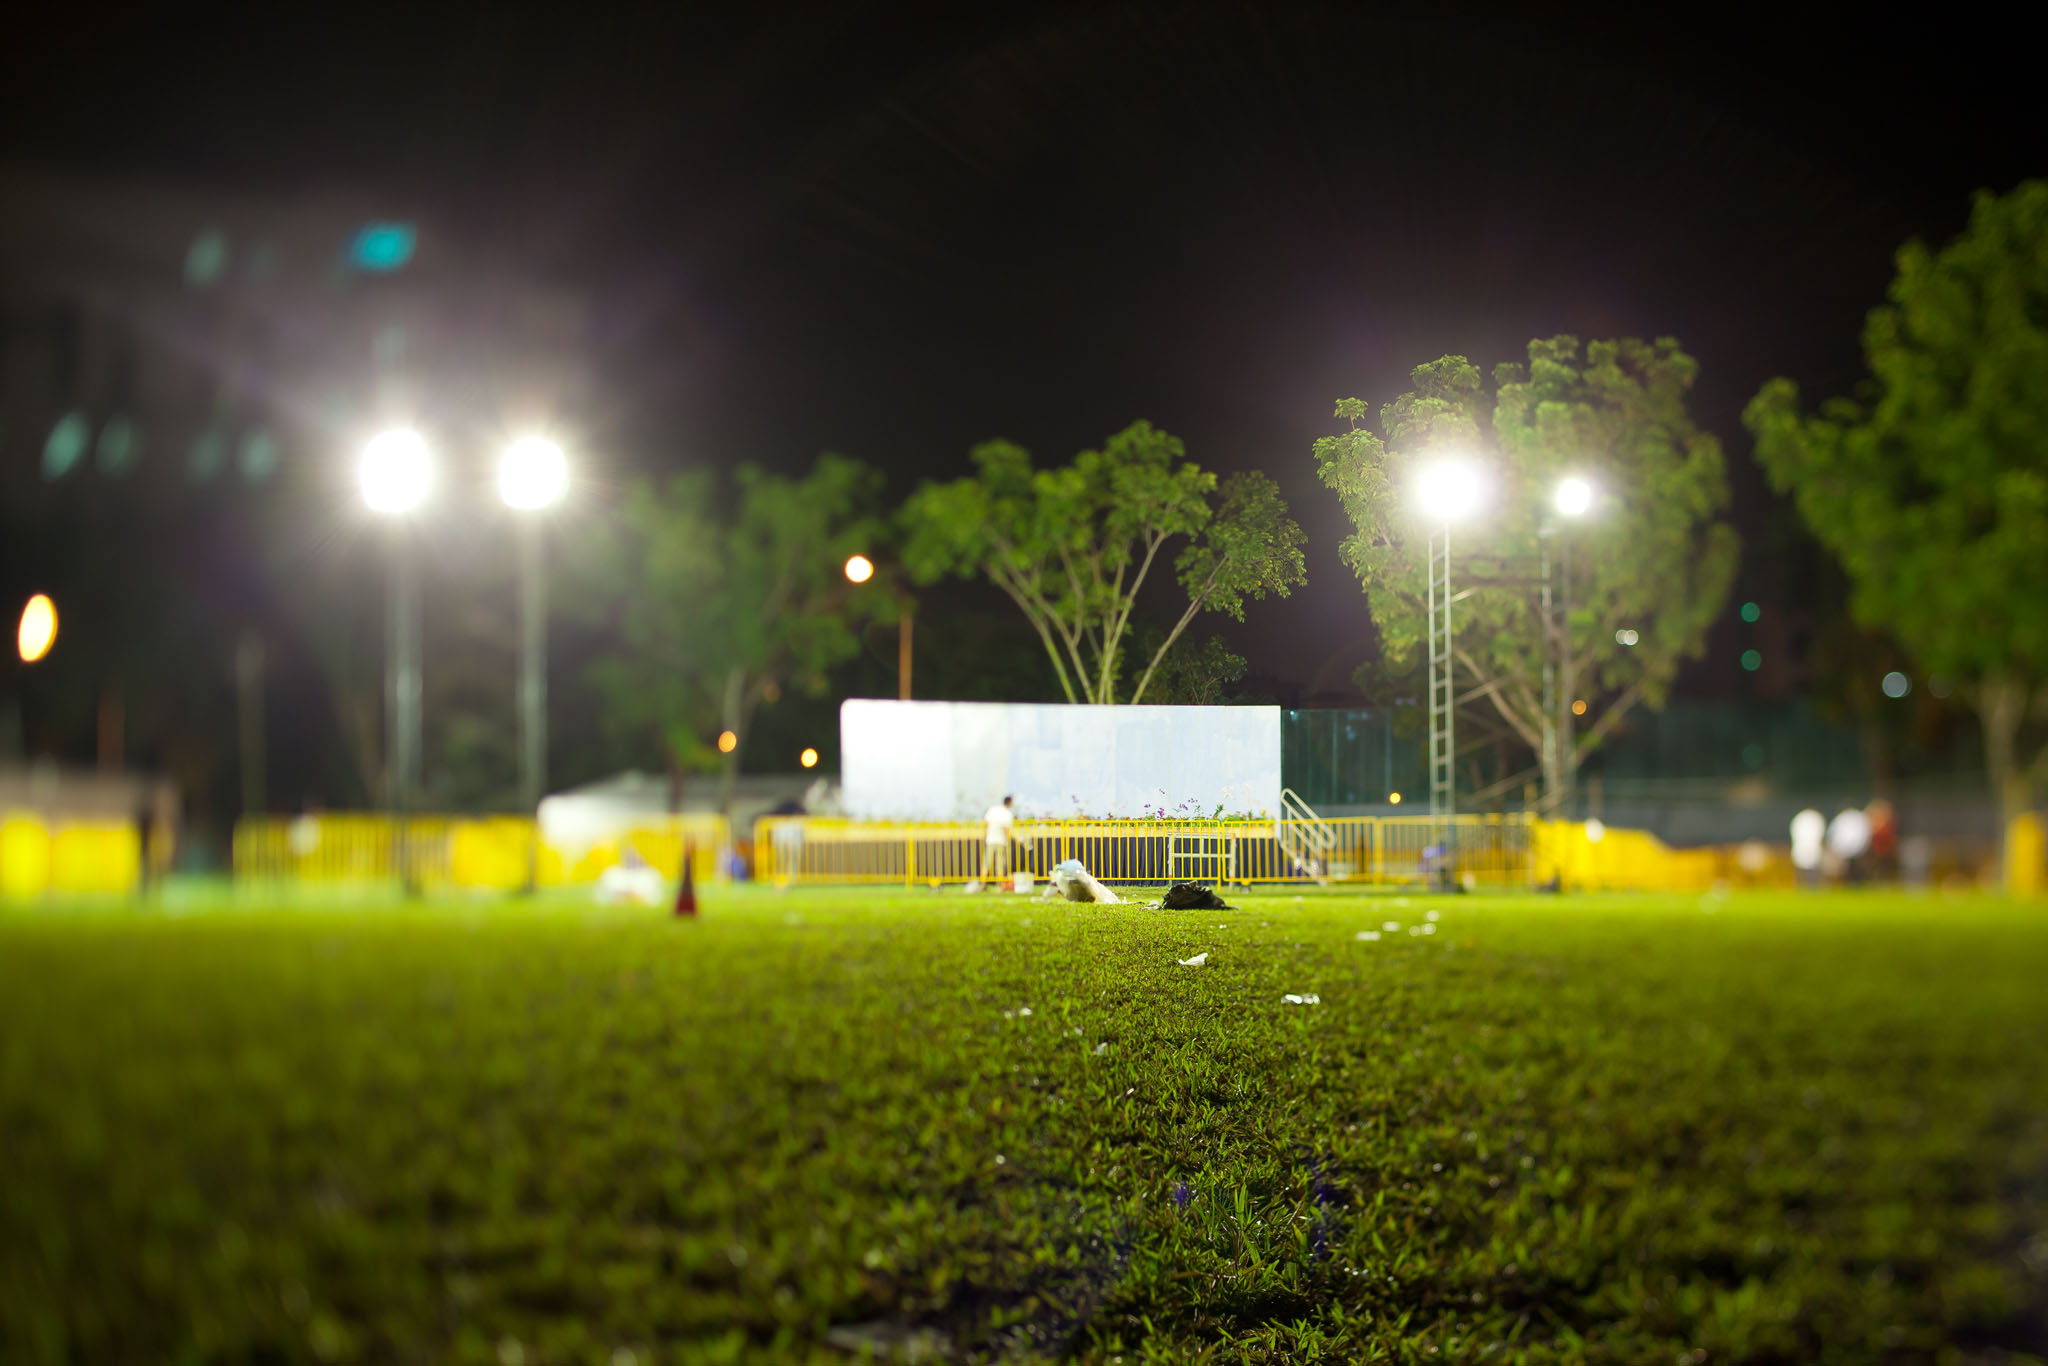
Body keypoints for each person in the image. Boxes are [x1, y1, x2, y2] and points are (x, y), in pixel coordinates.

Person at [980, 795, 1016, 889]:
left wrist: (984, 836)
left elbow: (985, 823)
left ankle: (983, 884)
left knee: (987, 863)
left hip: (990, 840)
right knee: (999, 864)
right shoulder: (1007, 813)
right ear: (1009, 802)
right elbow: (1006, 829)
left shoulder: (993, 810)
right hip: (1000, 840)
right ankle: (999, 885)